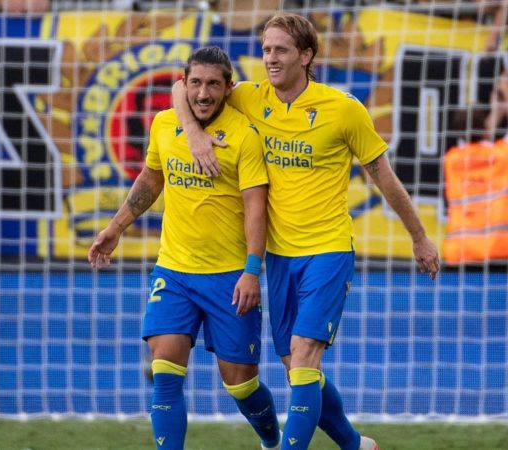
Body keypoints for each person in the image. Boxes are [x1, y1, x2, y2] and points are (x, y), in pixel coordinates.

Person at [172, 12, 440, 450]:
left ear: (306, 54)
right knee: (297, 365)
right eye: (265, 50)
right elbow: (182, 87)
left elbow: (383, 175)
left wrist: (419, 236)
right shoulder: (250, 98)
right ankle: (356, 445)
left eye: (280, 50)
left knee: (304, 355)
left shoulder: (343, 109)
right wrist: (192, 133)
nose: (270, 59)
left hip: (328, 250)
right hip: (278, 257)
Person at [89, 46, 281, 450]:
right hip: (174, 271)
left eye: (213, 83)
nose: (203, 93)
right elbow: (150, 179)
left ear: (229, 87)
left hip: (229, 277)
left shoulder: (245, 136)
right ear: (185, 84)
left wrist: (251, 269)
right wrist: (116, 227)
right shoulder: (164, 125)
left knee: (241, 385)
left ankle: (272, 440)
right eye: (195, 82)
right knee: (165, 373)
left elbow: (255, 208)